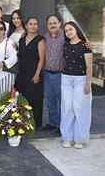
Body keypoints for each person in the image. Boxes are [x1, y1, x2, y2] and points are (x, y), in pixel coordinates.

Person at [60, 21, 93, 149]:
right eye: (66, 30)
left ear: (76, 29)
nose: (68, 32)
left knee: (79, 108)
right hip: (66, 79)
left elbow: (89, 67)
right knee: (67, 108)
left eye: (70, 29)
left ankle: (80, 139)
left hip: (81, 79)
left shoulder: (85, 46)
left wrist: (88, 83)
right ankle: (67, 138)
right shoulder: (65, 45)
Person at [15, 17, 46, 128]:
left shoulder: (40, 40)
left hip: (34, 73)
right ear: (26, 26)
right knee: (23, 98)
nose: (33, 26)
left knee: (35, 99)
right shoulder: (21, 40)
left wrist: (37, 74)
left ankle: (36, 124)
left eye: (35, 24)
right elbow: (19, 56)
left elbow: (42, 59)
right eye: (31, 24)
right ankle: (24, 122)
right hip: (22, 73)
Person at [43, 14, 65, 133]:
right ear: (47, 25)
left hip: (60, 74)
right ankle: (53, 123)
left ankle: (62, 126)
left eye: (54, 23)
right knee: (50, 100)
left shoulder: (65, 36)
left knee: (62, 101)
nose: (52, 25)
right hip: (47, 74)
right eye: (50, 23)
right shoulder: (44, 37)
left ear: (59, 23)